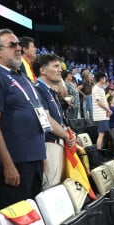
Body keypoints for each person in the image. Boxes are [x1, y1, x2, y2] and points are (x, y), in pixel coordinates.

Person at [0, 29, 46, 209]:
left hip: (34, 159)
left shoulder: (24, 77)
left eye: (19, 44)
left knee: (34, 217)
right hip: (15, 163)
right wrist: (7, 164)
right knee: (17, 220)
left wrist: (40, 154)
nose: (18, 48)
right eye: (12, 45)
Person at [33, 54, 77, 189]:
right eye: (56, 66)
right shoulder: (38, 89)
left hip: (58, 143)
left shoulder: (49, 91)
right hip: (49, 145)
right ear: (43, 70)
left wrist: (69, 133)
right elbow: (46, 119)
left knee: (58, 186)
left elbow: (59, 119)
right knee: (51, 188)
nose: (60, 70)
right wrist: (66, 135)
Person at [92, 72, 112, 150]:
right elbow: (99, 102)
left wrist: (107, 110)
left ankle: (101, 150)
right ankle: (99, 151)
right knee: (101, 134)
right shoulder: (96, 88)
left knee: (103, 134)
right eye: (104, 78)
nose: (105, 80)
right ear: (101, 79)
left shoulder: (100, 89)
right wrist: (108, 110)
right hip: (100, 115)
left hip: (103, 114)